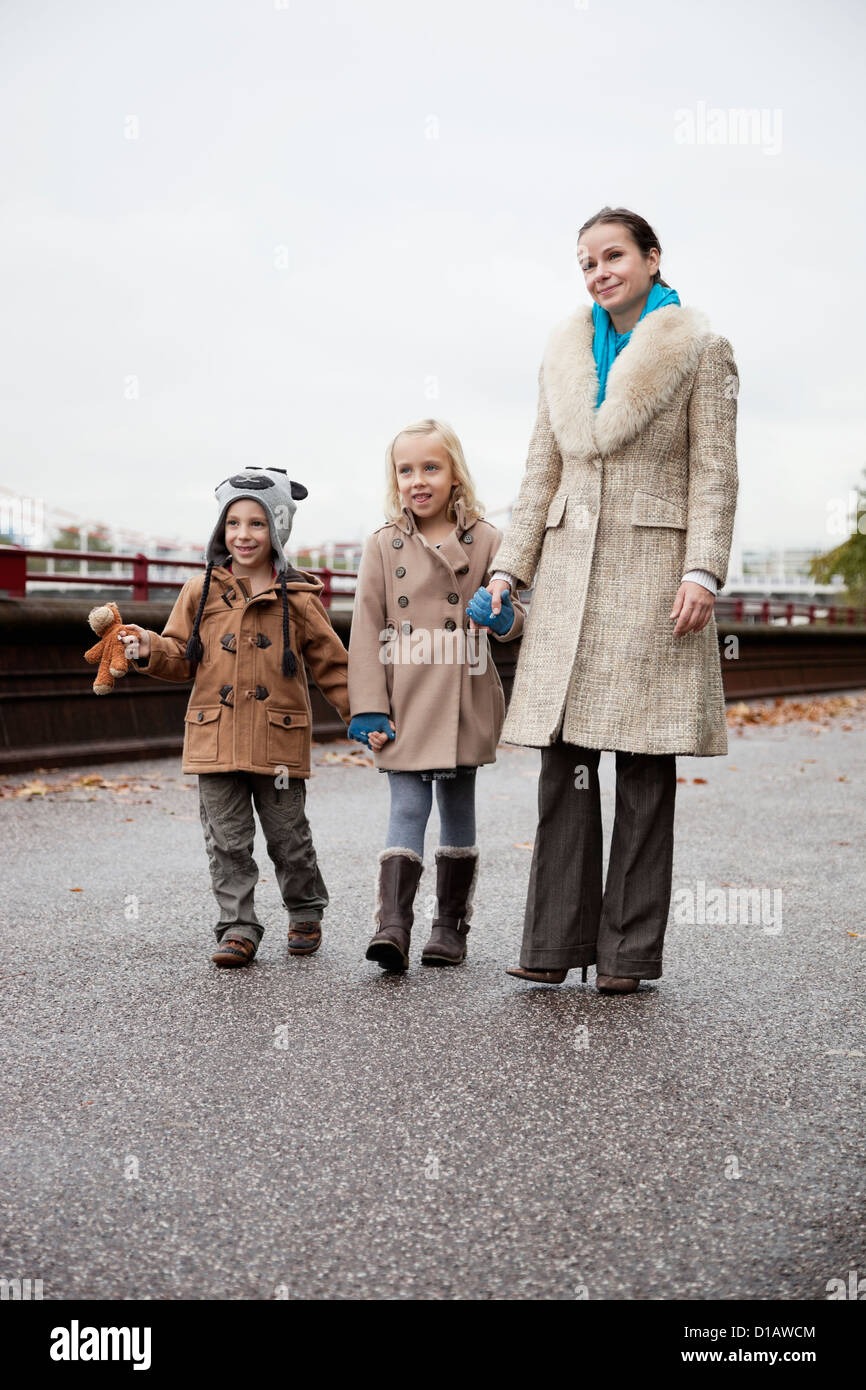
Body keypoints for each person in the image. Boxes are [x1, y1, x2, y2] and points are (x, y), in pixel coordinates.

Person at [475, 206, 738, 993]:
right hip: (565, 580)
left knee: (646, 765)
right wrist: (506, 572)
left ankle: (628, 955)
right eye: (586, 261)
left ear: (653, 258)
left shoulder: (701, 348)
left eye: (613, 255)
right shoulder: (564, 356)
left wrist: (703, 571)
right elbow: (538, 478)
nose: (598, 271)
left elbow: (715, 470)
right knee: (567, 765)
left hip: (654, 580)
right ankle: (554, 943)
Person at [118, 468, 351, 967]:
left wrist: (363, 715)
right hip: (214, 737)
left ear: (278, 529)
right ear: (221, 529)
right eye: (233, 524)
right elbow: (180, 656)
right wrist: (147, 648)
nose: (243, 535)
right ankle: (238, 928)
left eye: (257, 524)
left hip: (278, 740)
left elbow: (334, 666)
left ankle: (305, 910)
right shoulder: (199, 591)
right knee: (226, 841)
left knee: (290, 839)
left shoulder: (300, 598)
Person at [347, 419, 526, 971]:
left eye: (431, 467)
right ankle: (393, 926)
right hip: (406, 695)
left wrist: (501, 618)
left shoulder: (489, 540)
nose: (417, 480)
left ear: (455, 476)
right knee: (406, 804)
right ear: (394, 479)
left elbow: (521, 617)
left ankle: (449, 927)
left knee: (456, 807)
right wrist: (370, 706)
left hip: (463, 691)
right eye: (406, 469)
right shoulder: (383, 544)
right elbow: (365, 628)